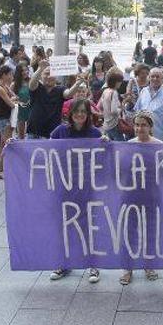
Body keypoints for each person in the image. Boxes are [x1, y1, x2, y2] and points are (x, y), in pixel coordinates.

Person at [48, 98, 103, 282]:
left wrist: (107, 143)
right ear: (70, 113)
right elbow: (44, 148)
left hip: (87, 186)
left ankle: (93, 264)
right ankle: (64, 263)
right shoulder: (60, 131)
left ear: (88, 115)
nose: (80, 114)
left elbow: (107, 154)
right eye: (76, 111)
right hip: (65, 185)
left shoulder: (95, 133)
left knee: (88, 225)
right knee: (65, 224)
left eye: (83, 111)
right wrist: (16, 144)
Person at [119, 110, 161, 285]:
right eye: (137, 124)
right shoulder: (128, 145)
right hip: (130, 195)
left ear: (150, 127)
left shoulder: (159, 145)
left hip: (151, 195)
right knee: (129, 231)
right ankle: (127, 268)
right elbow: (119, 168)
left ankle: (148, 264)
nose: (139, 128)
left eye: (143, 124)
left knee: (150, 231)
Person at [129, 68, 163, 142]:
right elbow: (137, 113)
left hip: (161, 136)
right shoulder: (144, 91)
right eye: (152, 76)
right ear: (149, 77)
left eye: (157, 77)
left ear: (162, 78)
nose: (155, 79)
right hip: (144, 136)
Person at [0, 66, 18, 179]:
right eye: (10, 74)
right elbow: (11, 103)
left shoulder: (5, 86)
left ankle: (2, 167)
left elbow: (15, 97)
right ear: (4, 75)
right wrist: (12, 100)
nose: (12, 77)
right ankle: (0, 170)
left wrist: (12, 99)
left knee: (3, 144)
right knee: (6, 144)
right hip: (2, 119)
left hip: (5, 118)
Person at [99, 68, 126, 140]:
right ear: (116, 82)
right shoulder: (114, 92)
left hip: (106, 124)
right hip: (114, 124)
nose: (121, 83)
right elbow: (114, 111)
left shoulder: (105, 91)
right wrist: (121, 109)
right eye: (120, 81)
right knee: (121, 145)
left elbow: (100, 106)